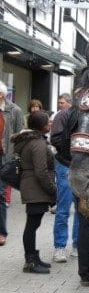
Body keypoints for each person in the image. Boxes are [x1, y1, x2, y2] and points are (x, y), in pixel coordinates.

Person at [52, 105, 89, 287]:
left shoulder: (69, 114)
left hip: (81, 174)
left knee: (85, 223)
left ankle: (86, 275)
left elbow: (57, 140)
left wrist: (71, 160)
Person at [11, 111, 56, 273]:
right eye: (48, 123)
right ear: (41, 126)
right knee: (32, 225)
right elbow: (41, 171)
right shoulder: (37, 143)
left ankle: (33, 257)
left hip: (32, 187)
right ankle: (30, 262)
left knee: (34, 224)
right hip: (35, 188)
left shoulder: (33, 140)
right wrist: (53, 190)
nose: (50, 124)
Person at [50, 95, 79, 262]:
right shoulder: (64, 115)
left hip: (80, 166)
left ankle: (77, 245)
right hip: (66, 165)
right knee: (63, 209)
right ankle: (60, 247)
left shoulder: (88, 114)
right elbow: (55, 138)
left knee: (82, 210)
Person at [0, 80, 24, 246]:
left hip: (4, 159)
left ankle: (2, 232)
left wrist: (15, 157)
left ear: (2, 95)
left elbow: (20, 137)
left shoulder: (14, 111)